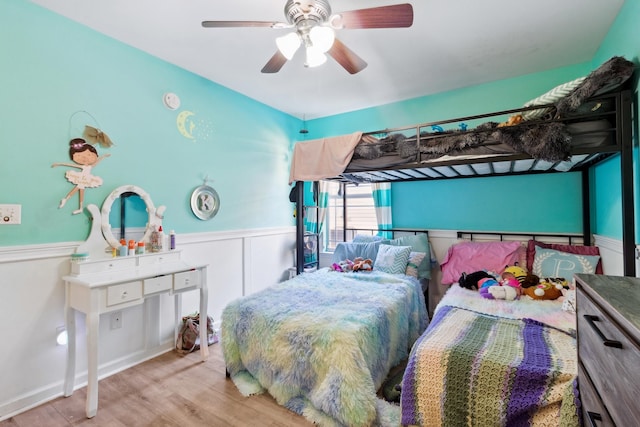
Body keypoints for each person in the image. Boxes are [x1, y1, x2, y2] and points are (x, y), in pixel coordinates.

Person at [52, 138, 110, 214]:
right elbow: (70, 164)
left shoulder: (90, 166)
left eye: (89, 155)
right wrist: (59, 164)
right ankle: (70, 202)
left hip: (85, 180)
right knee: (78, 190)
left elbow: (97, 162)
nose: (85, 158)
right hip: (81, 179)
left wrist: (104, 156)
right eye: (79, 156)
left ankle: (75, 205)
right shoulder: (83, 167)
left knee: (80, 192)